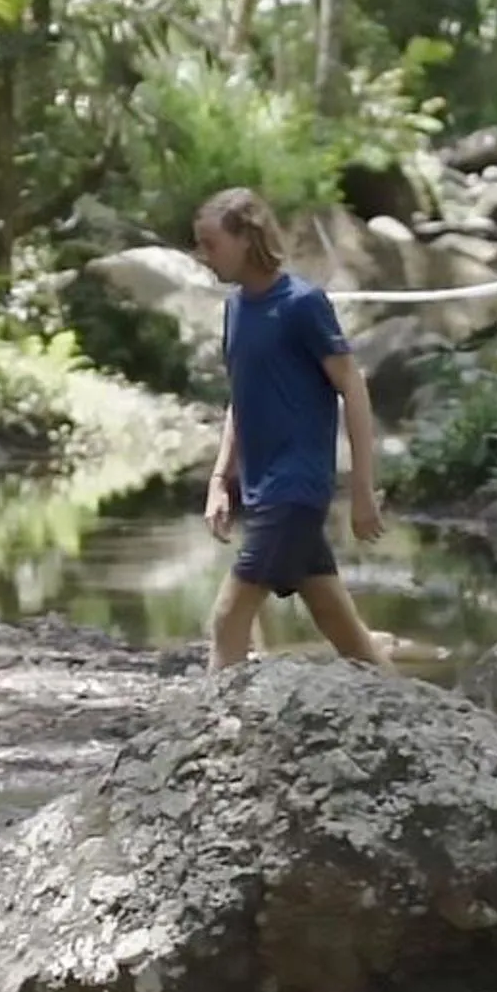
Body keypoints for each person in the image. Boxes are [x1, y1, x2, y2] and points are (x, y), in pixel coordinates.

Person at [192, 186, 391, 672]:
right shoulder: (235, 308)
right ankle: (417, 708)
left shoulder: (302, 304)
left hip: (295, 489)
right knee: (345, 631)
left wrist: (361, 489)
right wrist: (220, 479)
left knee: (228, 617)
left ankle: (219, 719)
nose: (203, 256)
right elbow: (243, 397)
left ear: (247, 238)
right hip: (262, 489)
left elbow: (353, 387)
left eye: (211, 244)